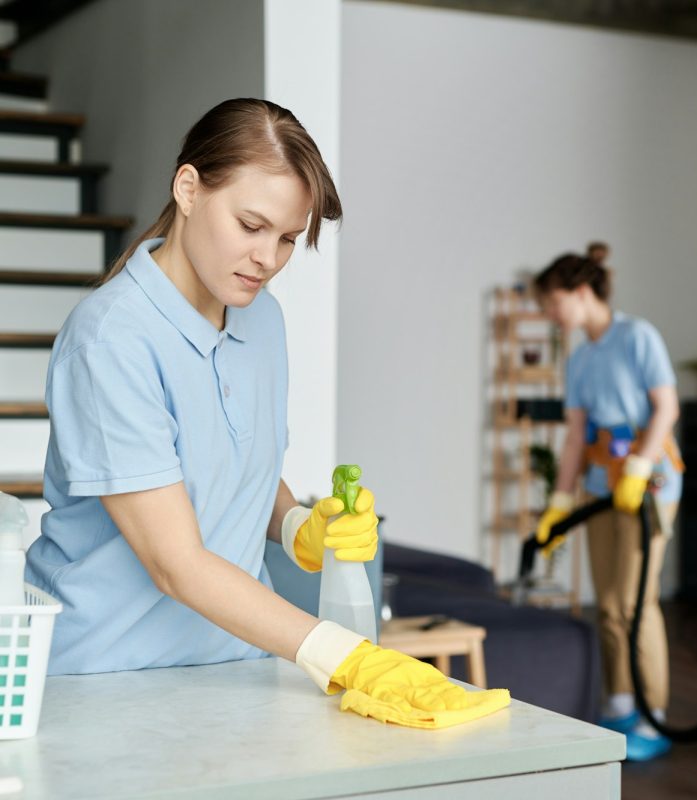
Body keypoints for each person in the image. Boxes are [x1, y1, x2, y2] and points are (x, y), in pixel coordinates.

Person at [25, 98, 509, 730]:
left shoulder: (261, 318)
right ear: (189, 188)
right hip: (103, 679)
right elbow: (176, 562)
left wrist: (296, 523)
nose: (267, 258)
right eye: (250, 225)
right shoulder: (111, 340)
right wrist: (350, 658)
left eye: (286, 238)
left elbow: (234, 465)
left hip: (236, 668)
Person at [533, 253, 683, 761]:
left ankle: (653, 715)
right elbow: (576, 435)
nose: (550, 314)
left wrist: (640, 466)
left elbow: (667, 408)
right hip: (601, 488)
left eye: (552, 302)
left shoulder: (637, 336)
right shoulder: (579, 358)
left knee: (636, 603)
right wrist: (558, 503)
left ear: (579, 292)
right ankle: (621, 702)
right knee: (609, 604)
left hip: (651, 486)